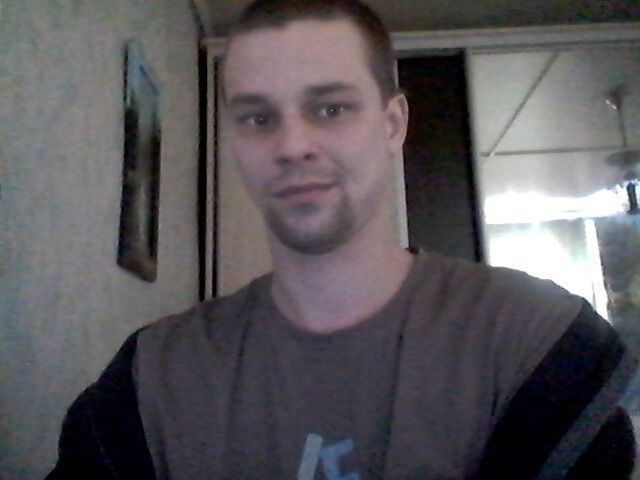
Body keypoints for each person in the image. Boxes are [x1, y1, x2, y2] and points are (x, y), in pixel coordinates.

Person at [47, 1, 637, 478]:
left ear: (392, 124)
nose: (291, 146)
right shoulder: (153, 377)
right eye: (258, 118)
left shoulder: (538, 344)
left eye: (330, 108)